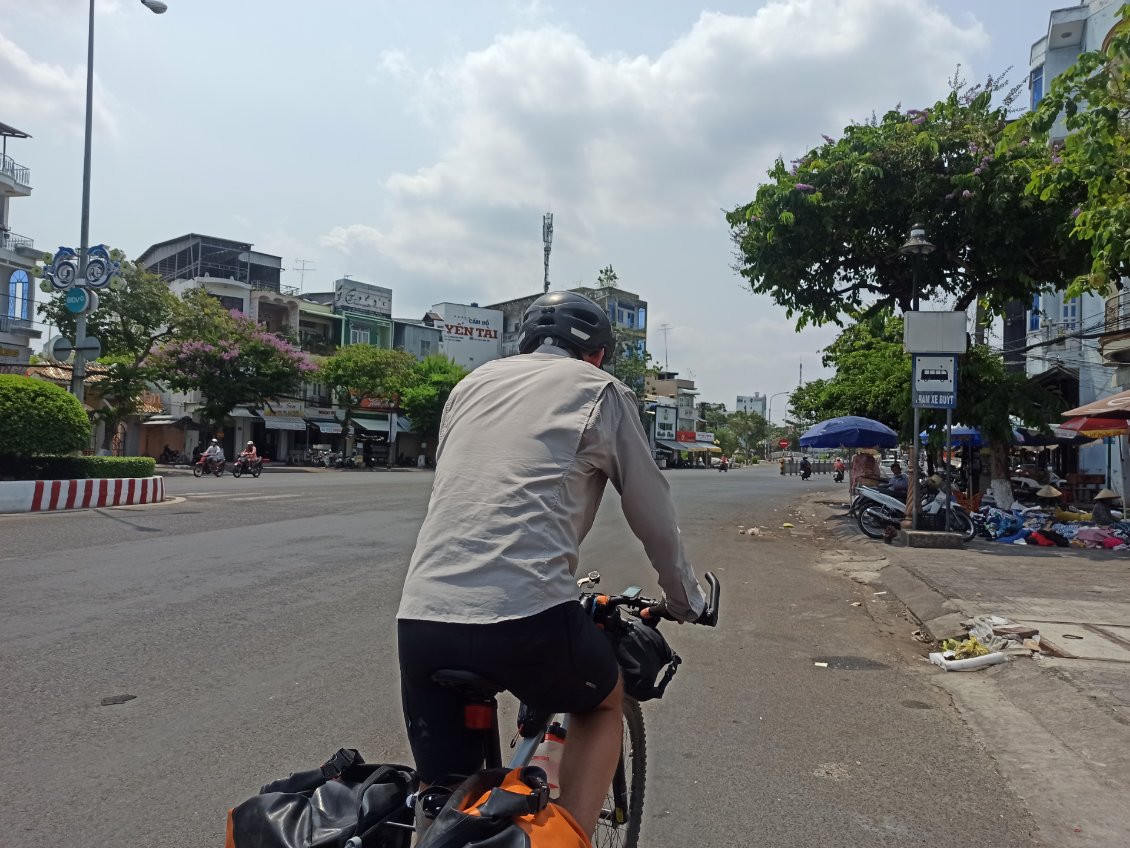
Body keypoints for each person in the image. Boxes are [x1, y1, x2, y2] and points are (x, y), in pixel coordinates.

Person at [396, 291, 708, 837]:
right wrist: (684, 600)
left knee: (444, 805)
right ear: (598, 355)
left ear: (526, 343)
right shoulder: (601, 390)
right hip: (526, 615)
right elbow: (652, 512)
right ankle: (573, 834)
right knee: (601, 703)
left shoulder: (470, 386)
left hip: (423, 620)